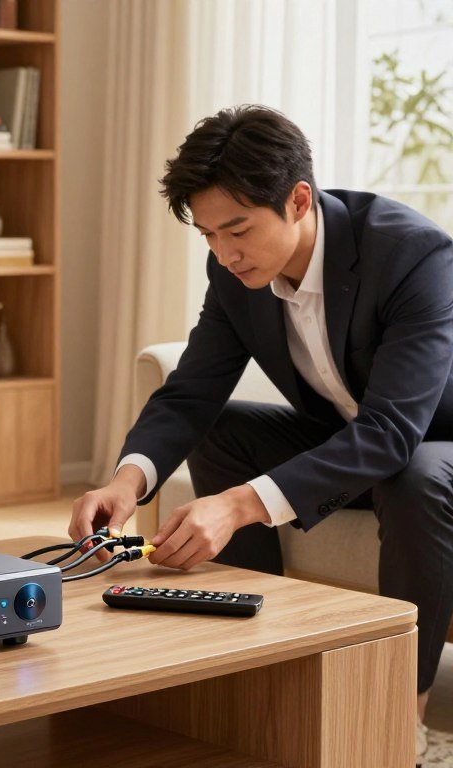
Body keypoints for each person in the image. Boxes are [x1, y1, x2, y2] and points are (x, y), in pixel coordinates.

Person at [69, 104, 453, 762]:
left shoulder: (412, 254)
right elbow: (192, 391)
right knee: (221, 429)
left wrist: (239, 504)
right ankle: (253, 659)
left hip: (431, 446)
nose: (224, 252)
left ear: (299, 200)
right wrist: (125, 481)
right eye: (210, 235)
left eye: (239, 230)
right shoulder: (235, 271)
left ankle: (400, 715)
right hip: (361, 444)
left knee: (411, 475)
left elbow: (391, 432)